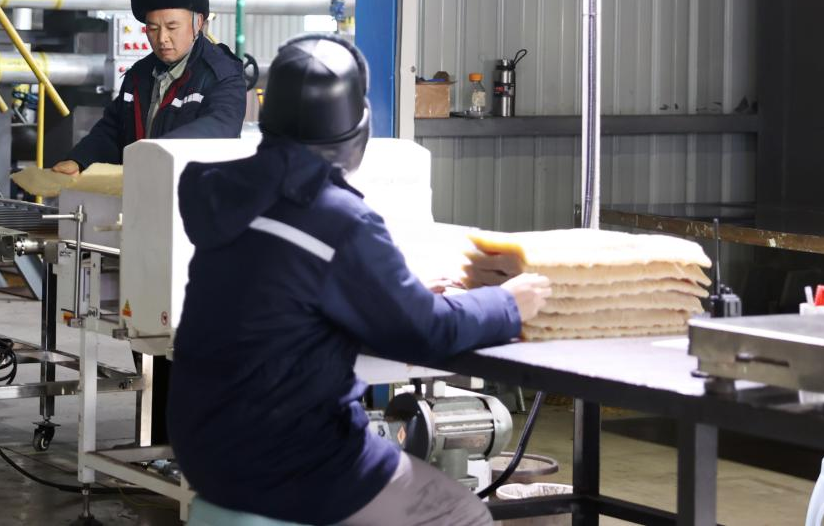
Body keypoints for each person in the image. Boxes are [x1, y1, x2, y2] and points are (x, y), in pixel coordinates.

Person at [168, 33, 551, 525]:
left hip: (206, 450)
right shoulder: (339, 218)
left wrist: (394, 294)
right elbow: (426, 332)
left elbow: (286, 294)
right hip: (293, 462)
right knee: (461, 511)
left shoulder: (229, 195)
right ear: (358, 129)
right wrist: (508, 303)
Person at [51, 0, 247, 175]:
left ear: (198, 23)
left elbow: (220, 127)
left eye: (172, 27)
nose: (162, 38)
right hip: (144, 186)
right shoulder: (139, 75)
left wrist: (156, 152)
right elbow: (112, 130)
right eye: (152, 29)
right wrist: (80, 161)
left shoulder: (221, 74)